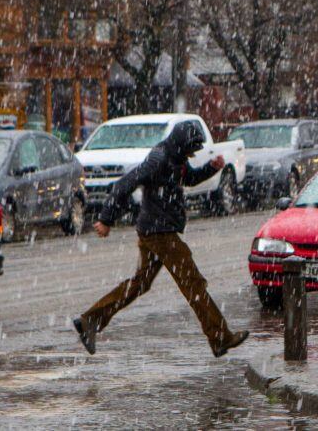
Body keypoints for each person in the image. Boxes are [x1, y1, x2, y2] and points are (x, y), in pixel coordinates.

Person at [73, 121, 249, 357]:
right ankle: (220, 337)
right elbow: (124, 184)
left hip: (154, 230)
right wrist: (106, 219)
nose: (191, 154)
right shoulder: (159, 159)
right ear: (180, 144)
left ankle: (89, 321)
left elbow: (187, 178)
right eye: (189, 150)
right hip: (160, 233)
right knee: (193, 284)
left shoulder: (175, 157)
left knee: (140, 284)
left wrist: (211, 168)